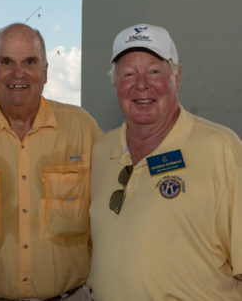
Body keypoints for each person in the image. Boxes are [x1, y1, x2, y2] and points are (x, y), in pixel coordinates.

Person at [0, 23, 103, 300]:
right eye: (6, 62)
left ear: (45, 72)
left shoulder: (83, 128)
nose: (19, 74)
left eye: (30, 62)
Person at [87, 23, 242, 300]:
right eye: (128, 74)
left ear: (177, 77)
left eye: (155, 71)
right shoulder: (101, 150)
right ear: (116, 83)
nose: (141, 84)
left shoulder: (221, 148)